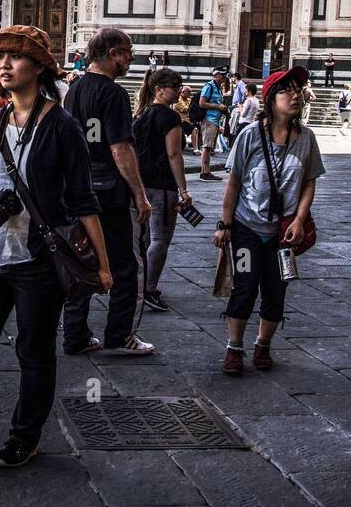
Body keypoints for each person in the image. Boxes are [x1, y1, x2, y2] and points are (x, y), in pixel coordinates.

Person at [0, 25, 110, 469]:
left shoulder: (63, 127)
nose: (4, 65)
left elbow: (84, 202)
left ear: (40, 68)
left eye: (15, 57)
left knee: (33, 352)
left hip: (38, 260)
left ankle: (23, 437)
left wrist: (104, 266)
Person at [216, 67, 323, 375]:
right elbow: (234, 182)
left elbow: (309, 182)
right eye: (286, 90)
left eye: (297, 90)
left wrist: (300, 220)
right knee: (245, 288)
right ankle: (234, 348)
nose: (295, 95)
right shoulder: (250, 135)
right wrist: (225, 225)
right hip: (247, 227)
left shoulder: (306, 139)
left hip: (283, 232)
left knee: (276, 291)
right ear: (270, 99)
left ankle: (263, 345)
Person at [62, 26, 154, 357]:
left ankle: (75, 335)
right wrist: (140, 195)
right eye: (128, 52)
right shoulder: (113, 93)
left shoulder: (74, 90)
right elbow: (120, 149)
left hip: (78, 189)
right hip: (110, 192)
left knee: (81, 257)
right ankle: (120, 334)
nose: (131, 58)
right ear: (113, 53)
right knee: (126, 265)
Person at [133, 67, 192, 312]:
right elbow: (174, 154)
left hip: (141, 184)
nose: (179, 92)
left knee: (143, 238)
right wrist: (184, 190)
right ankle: (148, 288)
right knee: (160, 239)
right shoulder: (170, 118)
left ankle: (138, 286)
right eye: (174, 87)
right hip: (162, 185)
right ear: (159, 90)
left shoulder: (140, 115)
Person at [198, 70, 229, 180]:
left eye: (225, 75)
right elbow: (202, 103)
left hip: (215, 120)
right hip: (209, 119)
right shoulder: (209, 86)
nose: (225, 77)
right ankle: (205, 173)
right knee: (207, 146)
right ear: (216, 76)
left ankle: (205, 171)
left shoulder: (218, 88)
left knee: (209, 146)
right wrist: (218, 107)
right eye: (222, 75)